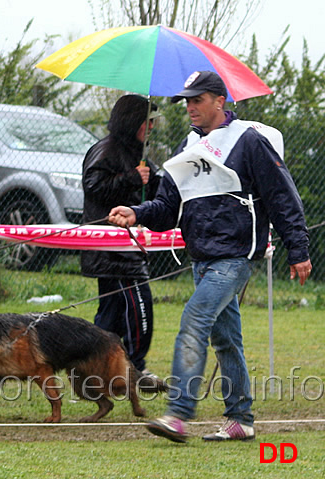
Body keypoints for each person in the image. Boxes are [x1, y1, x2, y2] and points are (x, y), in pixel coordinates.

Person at [109, 71, 312, 443]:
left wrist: (297, 249)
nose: (190, 107)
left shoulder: (248, 141)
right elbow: (169, 206)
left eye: (197, 99)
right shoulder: (187, 149)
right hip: (200, 259)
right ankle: (241, 419)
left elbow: (283, 196)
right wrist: (137, 214)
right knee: (226, 339)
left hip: (234, 258)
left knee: (194, 320)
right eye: (187, 101)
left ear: (220, 101)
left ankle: (178, 413)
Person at [81, 94, 160, 377]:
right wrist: (131, 178)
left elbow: (148, 193)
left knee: (110, 315)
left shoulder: (137, 153)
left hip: (127, 247)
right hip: (111, 249)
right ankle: (135, 367)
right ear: (133, 121)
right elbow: (93, 185)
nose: (151, 127)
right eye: (147, 122)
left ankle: (95, 370)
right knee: (139, 307)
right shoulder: (107, 150)